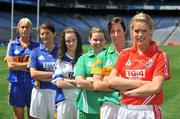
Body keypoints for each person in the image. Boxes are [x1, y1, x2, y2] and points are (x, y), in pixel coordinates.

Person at [107, 12, 170, 119]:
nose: (140, 34)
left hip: (148, 110)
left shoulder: (160, 55)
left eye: (144, 30)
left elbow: (155, 87)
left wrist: (129, 92)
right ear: (132, 31)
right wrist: (141, 83)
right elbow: (111, 81)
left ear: (151, 31)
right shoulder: (125, 53)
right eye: (136, 31)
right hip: (124, 110)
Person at [92, 17, 127, 119]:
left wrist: (108, 80)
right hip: (109, 105)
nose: (116, 34)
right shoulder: (101, 57)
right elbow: (97, 85)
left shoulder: (134, 53)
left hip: (130, 104)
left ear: (124, 31)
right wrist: (123, 84)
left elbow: (138, 80)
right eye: (113, 31)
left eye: (119, 31)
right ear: (109, 33)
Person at [4, 18, 39, 119]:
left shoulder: (37, 46)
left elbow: (37, 66)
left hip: (33, 85)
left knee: (33, 116)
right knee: (18, 117)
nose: (25, 29)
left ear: (31, 29)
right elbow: (11, 66)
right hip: (16, 84)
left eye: (27, 27)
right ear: (18, 29)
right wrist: (28, 65)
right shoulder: (12, 45)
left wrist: (18, 64)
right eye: (22, 27)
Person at [29, 23, 64, 119]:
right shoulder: (35, 52)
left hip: (57, 92)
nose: (45, 36)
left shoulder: (61, 52)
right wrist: (55, 75)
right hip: (40, 92)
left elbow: (64, 75)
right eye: (42, 34)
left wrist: (41, 77)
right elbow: (33, 74)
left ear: (54, 34)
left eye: (47, 33)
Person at [74, 27, 106, 119]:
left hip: (106, 108)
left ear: (105, 41)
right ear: (89, 39)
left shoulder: (110, 58)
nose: (98, 43)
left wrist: (90, 79)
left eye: (101, 40)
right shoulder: (82, 59)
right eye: (95, 40)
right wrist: (103, 84)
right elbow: (80, 83)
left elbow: (114, 83)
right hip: (86, 109)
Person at [52, 27, 83, 119]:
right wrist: (79, 83)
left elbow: (89, 82)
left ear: (77, 40)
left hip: (81, 102)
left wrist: (67, 80)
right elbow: (59, 83)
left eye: (73, 40)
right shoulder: (60, 61)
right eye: (68, 41)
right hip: (64, 102)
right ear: (64, 43)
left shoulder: (84, 59)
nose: (71, 43)